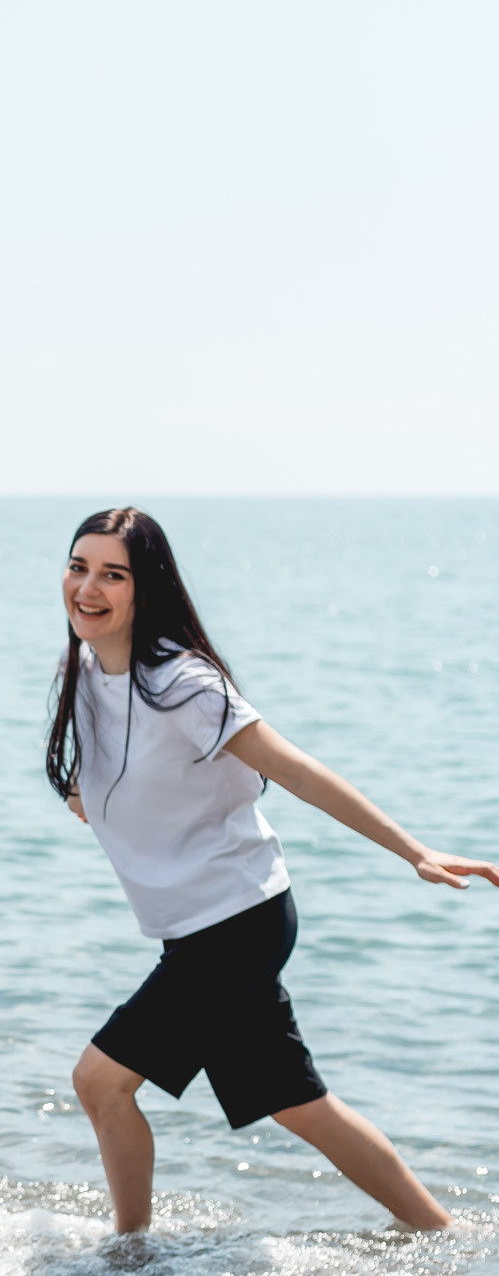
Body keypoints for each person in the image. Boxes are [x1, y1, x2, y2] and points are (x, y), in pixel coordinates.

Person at [48, 507, 498, 1234]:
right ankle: (438, 1231)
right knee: (296, 1102)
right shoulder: (82, 668)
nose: (87, 588)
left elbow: (294, 770)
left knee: (98, 1083)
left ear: (145, 587)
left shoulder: (185, 684)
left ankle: (126, 1256)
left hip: (233, 923)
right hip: (203, 925)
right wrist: (91, 797)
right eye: (78, 567)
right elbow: (117, 773)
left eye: (112, 574)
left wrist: (413, 849)